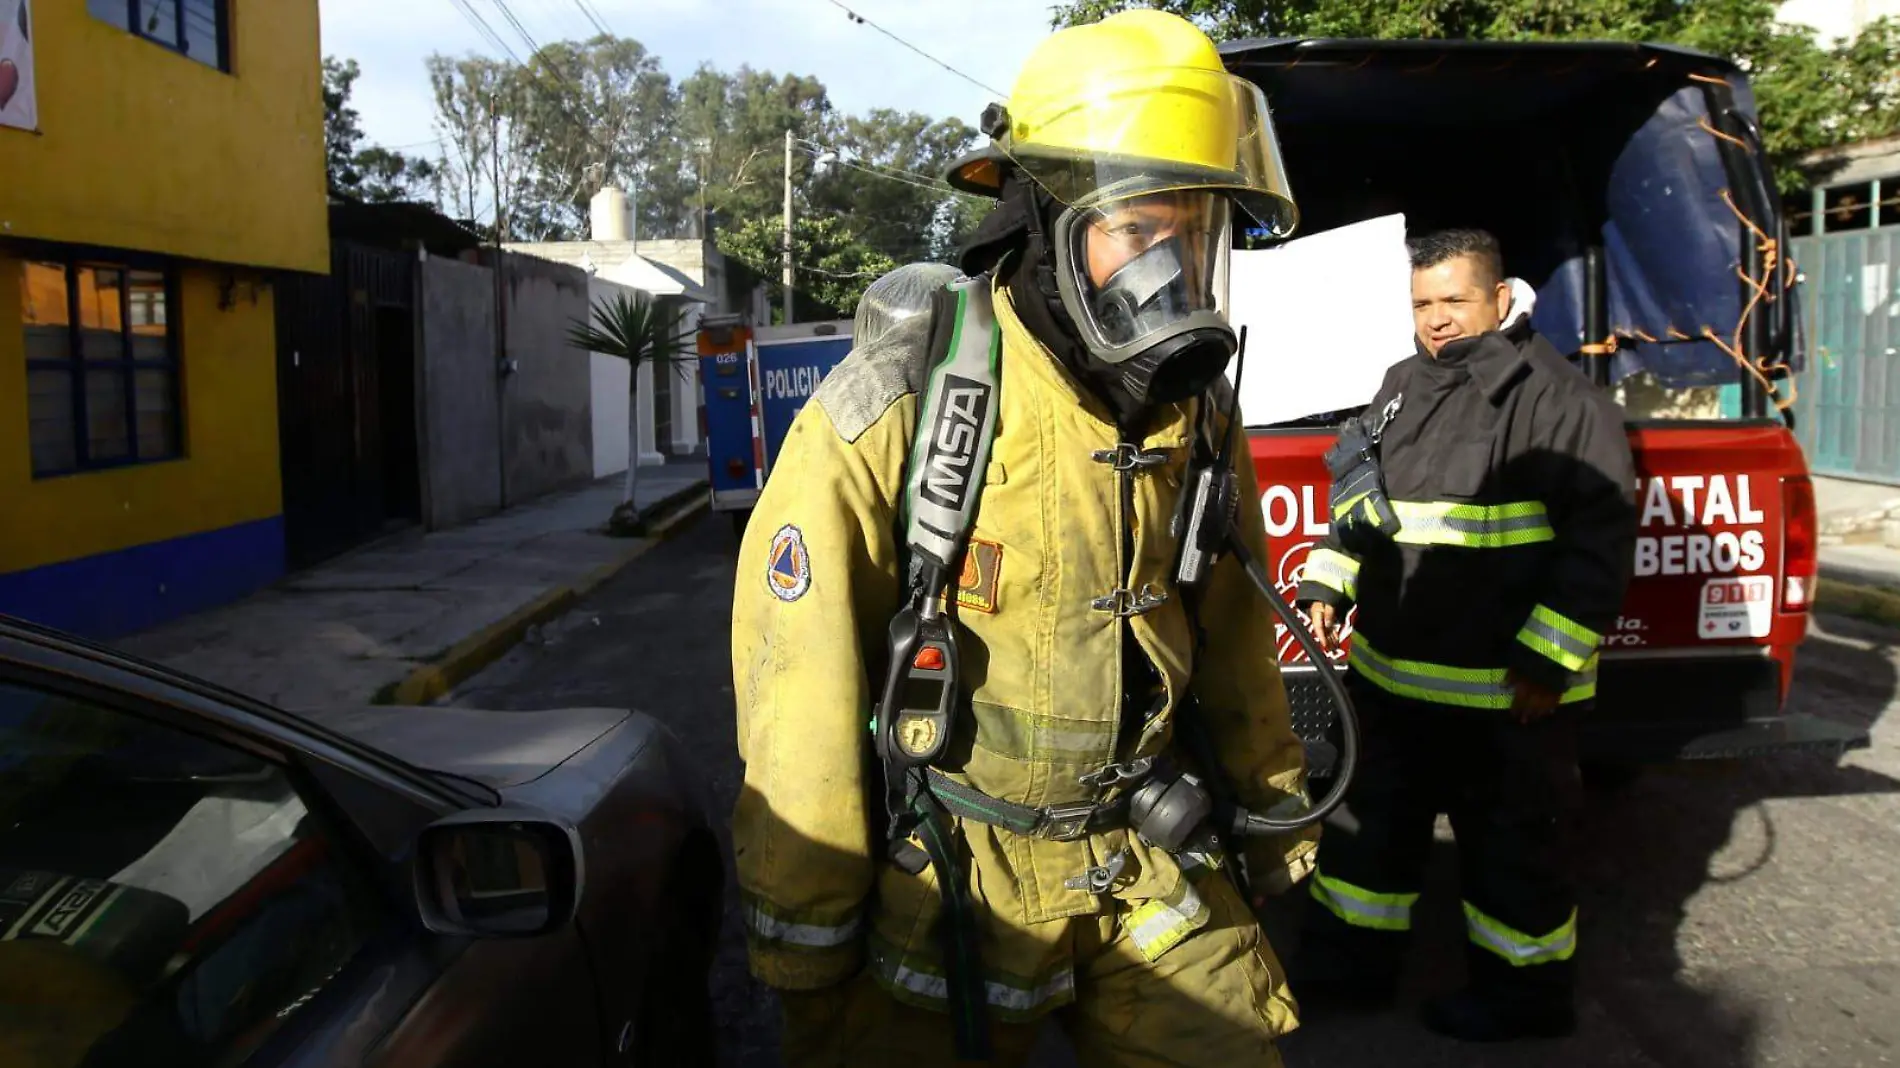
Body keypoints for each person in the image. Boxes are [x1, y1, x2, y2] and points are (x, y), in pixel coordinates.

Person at [730, 10, 1320, 1066]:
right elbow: (797, 694)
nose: (1170, 267)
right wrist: (807, 940)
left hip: (1144, 850)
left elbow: (1232, 633)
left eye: (1192, 231)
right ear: (1047, 216)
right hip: (955, 865)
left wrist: (1270, 818)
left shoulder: (1196, 414)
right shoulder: (895, 405)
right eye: (1137, 229)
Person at [1293, 228, 1638, 1041]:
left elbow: (1599, 545)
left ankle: (1523, 1003)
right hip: (1392, 682)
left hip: (1506, 698)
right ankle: (1350, 973)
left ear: (1500, 298)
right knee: (1365, 842)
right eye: (1423, 304)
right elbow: (1364, 501)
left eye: (1454, 300)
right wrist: (1326, 581)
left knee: (1514, 859)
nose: (1438, 320)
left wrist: (1549, 662)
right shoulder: (1399, 386)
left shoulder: (1561, 402)